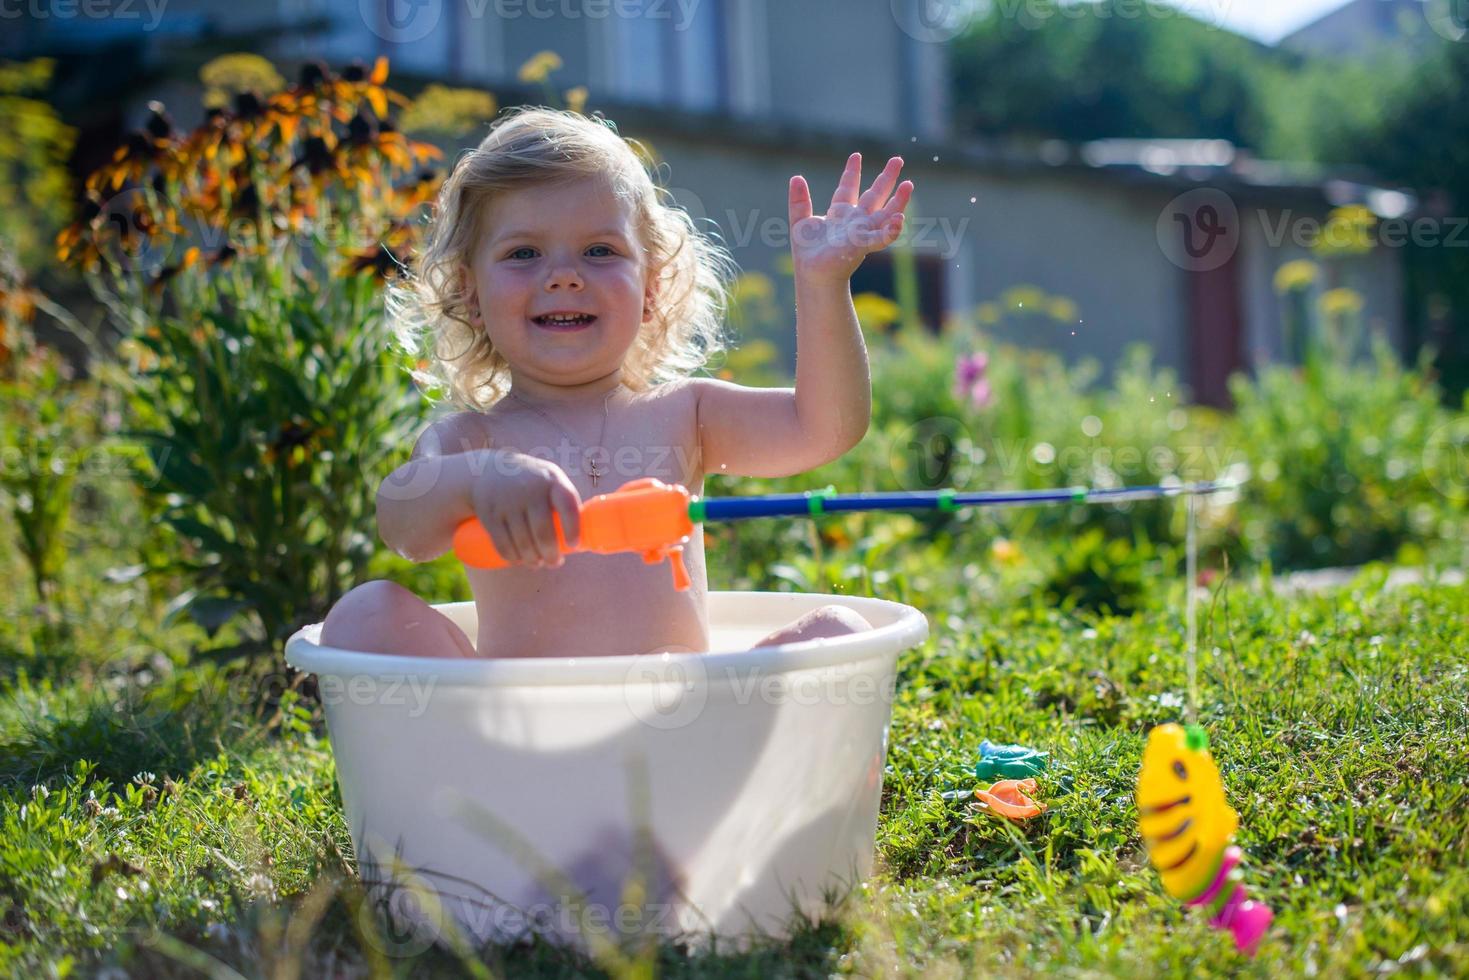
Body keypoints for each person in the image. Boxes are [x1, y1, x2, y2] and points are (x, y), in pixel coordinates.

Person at [320, 107, 913, 659]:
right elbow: (403, 524)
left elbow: (824, 428)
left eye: (599, 251)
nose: (564, 277)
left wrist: (823, 285)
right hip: (524, 738)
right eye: (524, 253)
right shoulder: (473, 440)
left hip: (681, 721)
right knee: (366, 613)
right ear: (471, 295)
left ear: (652, 287)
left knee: (838, 629)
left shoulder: (687, 414)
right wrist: (481, 480)